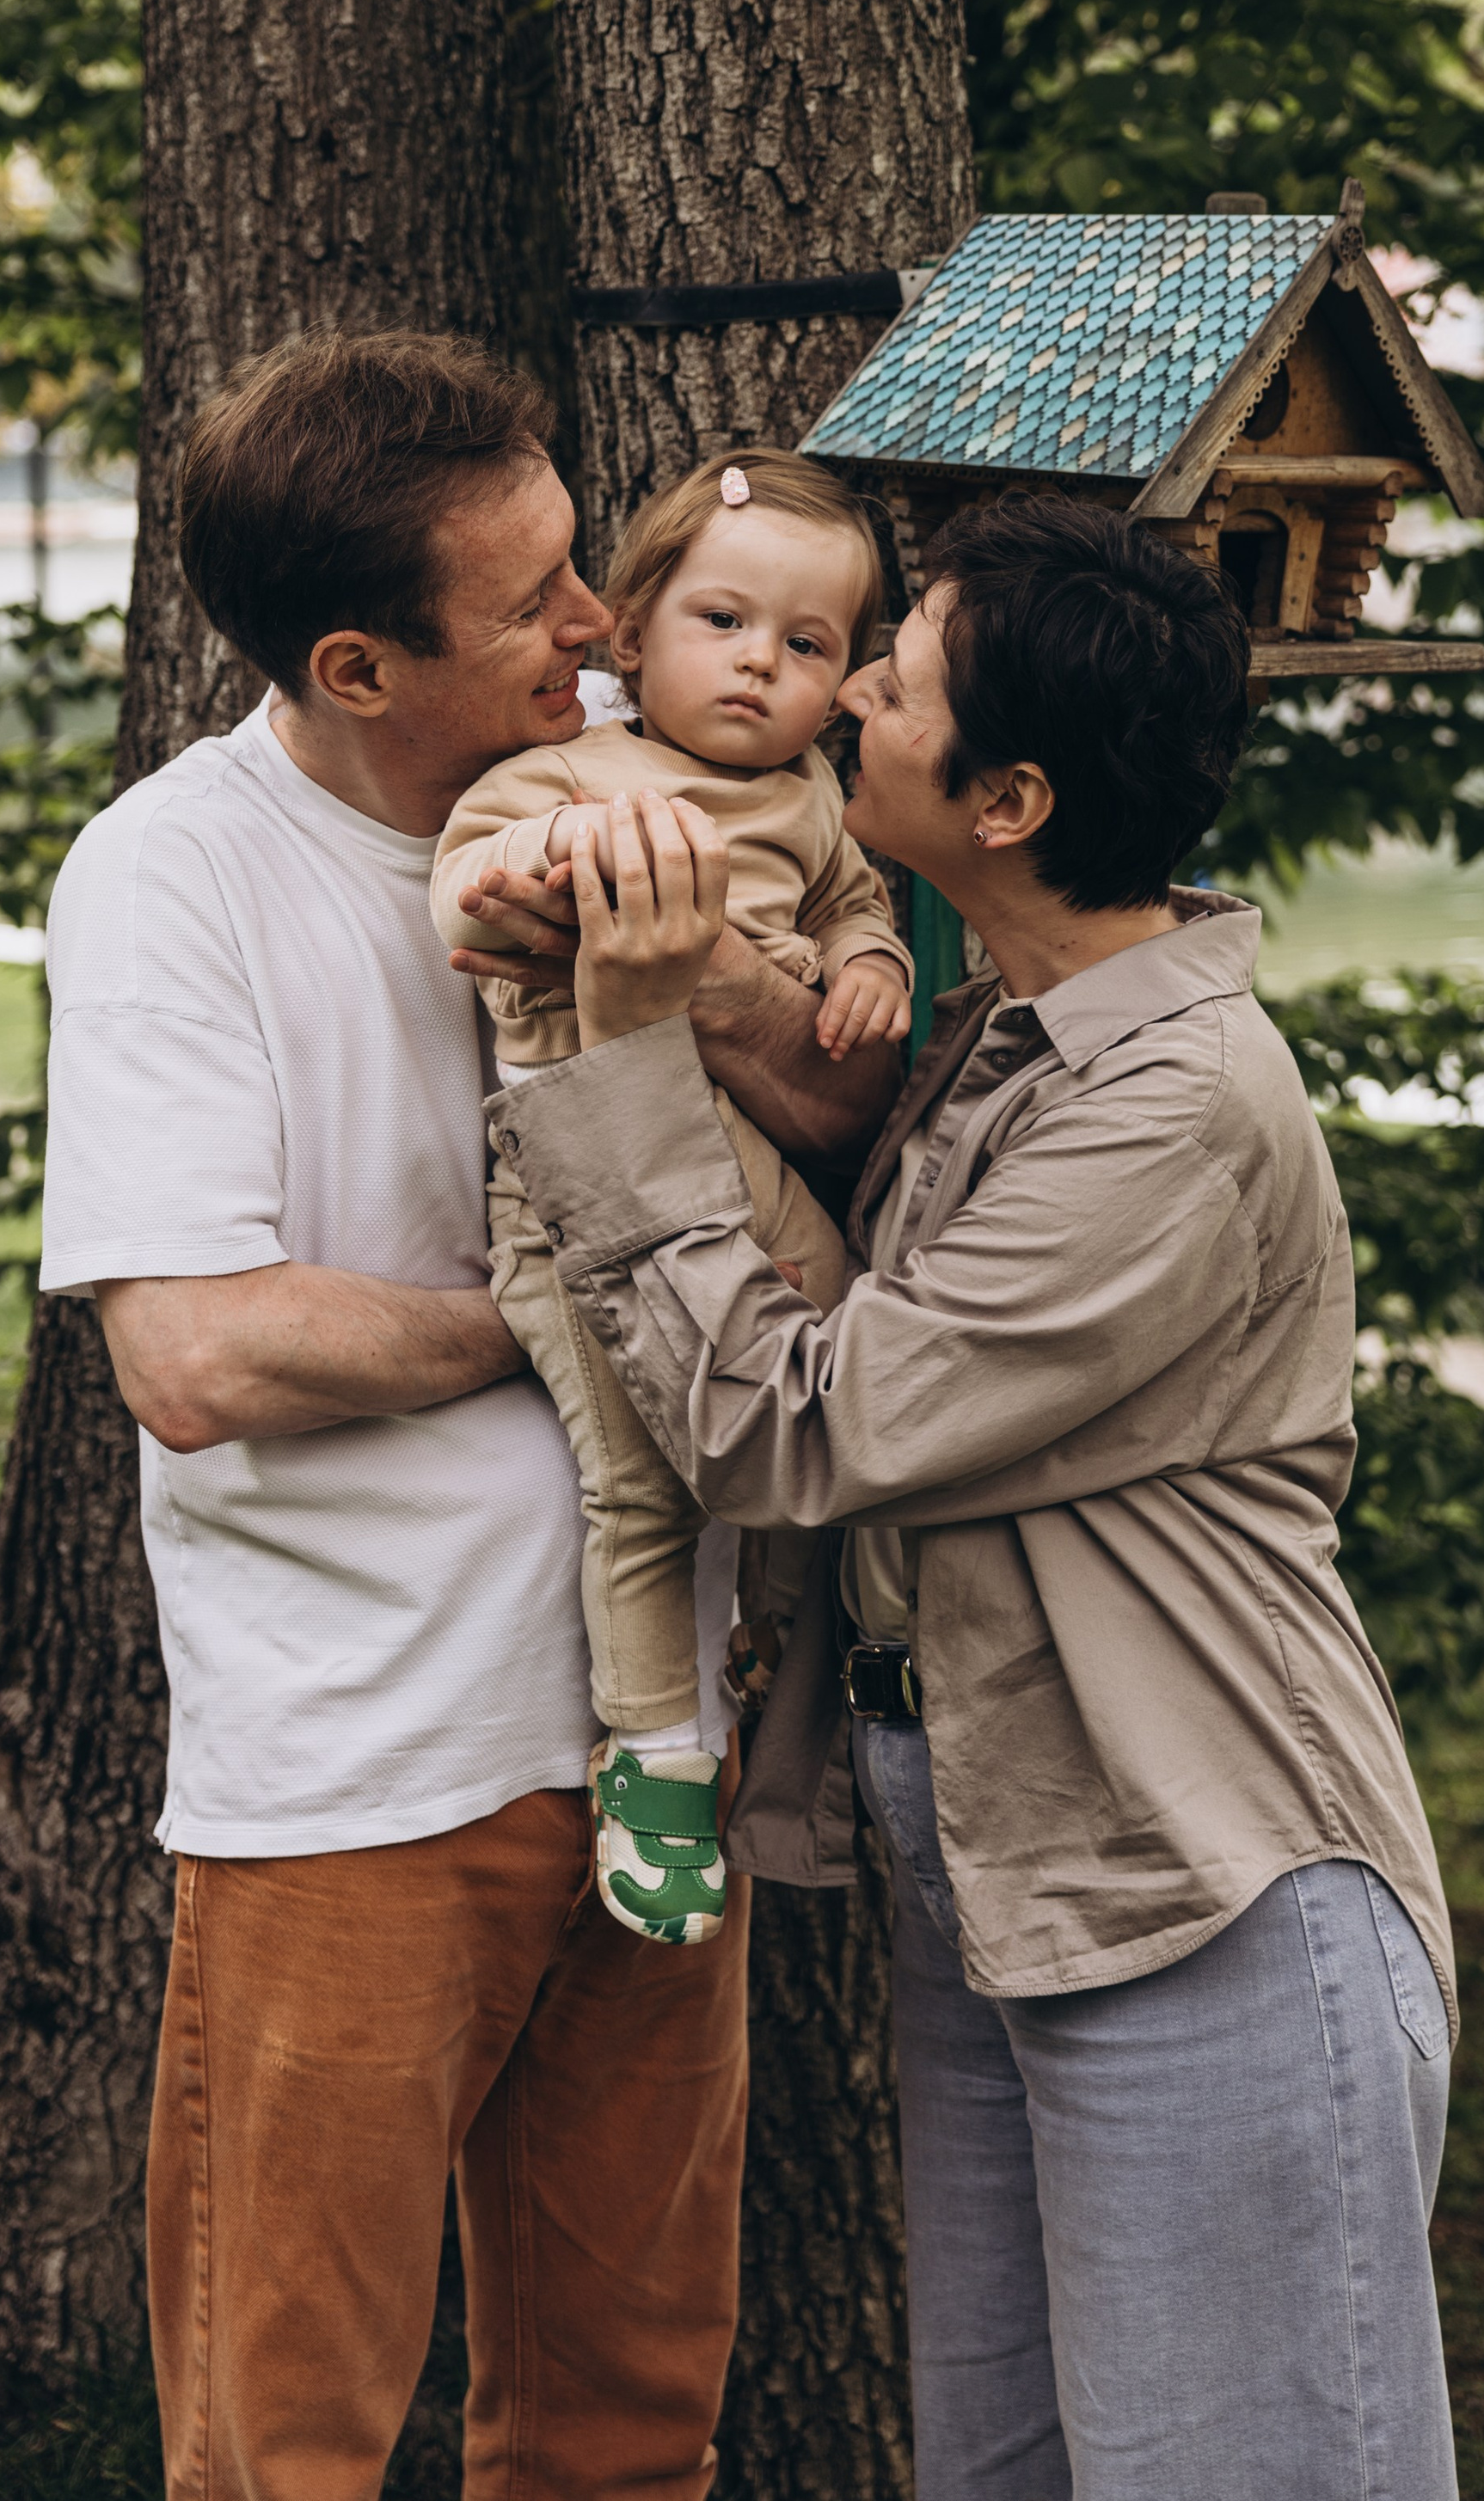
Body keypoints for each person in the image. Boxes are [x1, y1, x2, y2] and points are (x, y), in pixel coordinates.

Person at [470, 493, 1463, 2501]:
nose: (843, 701)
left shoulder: (1164, 1112)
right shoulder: (1007, 1030)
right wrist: (636, 946)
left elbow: (790, 1430)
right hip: (999, 1859)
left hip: (1193, 1878)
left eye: (897, 684)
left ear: (1005, 803)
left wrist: (617, 1044)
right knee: (997, 2467)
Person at [37, 328, 896, 2501]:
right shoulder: (174, 878)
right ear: (356, 666)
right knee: (286, 2443)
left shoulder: (654, 778)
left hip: (655, 1745)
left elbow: (836, 1110)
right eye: (530, 603)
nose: (602, 621)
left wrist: (695, 974)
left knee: (625, 2422)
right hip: (359, 1776)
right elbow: (195, 1356)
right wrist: (574, 1322)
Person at [430, 447, 913, 1946]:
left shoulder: (811, 799)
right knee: (639, 1481)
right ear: (631, 636)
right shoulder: (574, 776)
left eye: (807, 643)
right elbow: (462, 881)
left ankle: (774, 1642)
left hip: (743, 1186)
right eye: (723, 622)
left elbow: (855, 903)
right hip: (578, 1198)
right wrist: (560, 857)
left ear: (843, 686)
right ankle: (654, 1759)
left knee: (837, 1388)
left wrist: (874, 963)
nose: (760, 663)